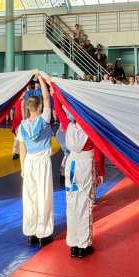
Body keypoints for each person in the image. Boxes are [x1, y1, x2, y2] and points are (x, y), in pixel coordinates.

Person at [55, 102, 99, 259]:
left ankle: (73, 243)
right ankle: (83, 244)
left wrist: (56, 94)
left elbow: (59, 110)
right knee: (84, 203)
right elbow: (99, 149)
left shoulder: (69, 127)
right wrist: (100, 171)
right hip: (85, 166)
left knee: (72, 203)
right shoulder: (90, 128)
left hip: (71, 165)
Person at [17, 73, 54, 247]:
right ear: (39, 107)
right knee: (43, 195)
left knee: (30, 197)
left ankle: (30, 232)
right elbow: (46, 97)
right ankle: (43, 233)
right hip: (42, 162)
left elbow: (22, 148)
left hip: (29, 162)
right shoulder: (44, 119)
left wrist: (22, 168)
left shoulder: (22, 125)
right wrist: (40, 77)